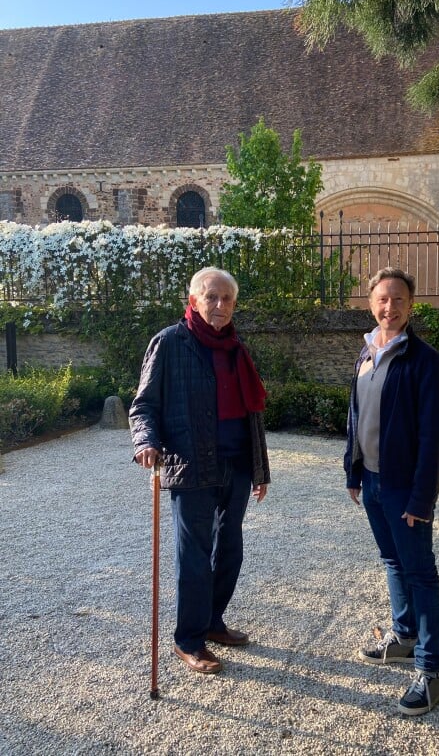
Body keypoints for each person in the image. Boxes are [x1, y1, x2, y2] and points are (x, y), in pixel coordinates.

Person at [129, 266, 270, 675]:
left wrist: (260, 469)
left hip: (237, 463)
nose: (220, 305)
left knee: (229, 550)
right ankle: (187, 639)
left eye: (227, 299)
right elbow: (144, 405)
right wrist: (145, 441)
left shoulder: (237, 347)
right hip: (190, 465)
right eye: (211, 297)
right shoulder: (170, 343)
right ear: (193, 301)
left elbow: (252, 412)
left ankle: (212, 621)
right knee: (193, 556)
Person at [344, 267, 439, 715]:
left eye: (399, 300)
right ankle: (404, 636)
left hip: (404, 488)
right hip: (370, 481)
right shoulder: (365, 354)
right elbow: (357, 417)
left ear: (411, 306)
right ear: (371, 303)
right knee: (392, 561)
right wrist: (353, 472)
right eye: (382, 299)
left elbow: (434, 438)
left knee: (420, 573)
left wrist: (421, 500)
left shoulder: (425, 362)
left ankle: (431, 672)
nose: (390, 307)